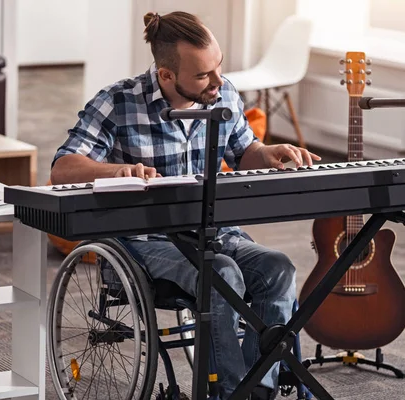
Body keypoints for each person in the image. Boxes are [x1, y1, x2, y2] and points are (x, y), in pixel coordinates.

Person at [50, 11, 320, 400]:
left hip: (210, 231)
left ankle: (258, 388)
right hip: (141, 241)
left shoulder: (223, 93)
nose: (217, 82)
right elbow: (63, 169)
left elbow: (246, 153)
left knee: (278, 268)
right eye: (202, 76)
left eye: (219, 67)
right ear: (165, 75)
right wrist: (119, 170)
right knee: (222, 274)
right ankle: (229, 393)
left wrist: (269, 152)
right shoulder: (118, 102)